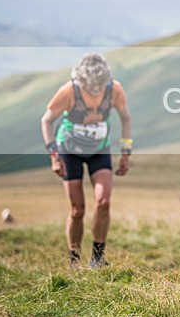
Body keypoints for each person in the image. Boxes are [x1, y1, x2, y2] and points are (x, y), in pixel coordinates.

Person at [40, 53, 133, 268]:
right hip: (69, 151)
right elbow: (46, 121)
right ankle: (74, 260)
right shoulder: (68, 91)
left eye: (100, 85)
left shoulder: (114, 89)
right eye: (91, 86)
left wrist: (126, 153)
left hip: (99, 149)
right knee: (77, 210)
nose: (95, 90)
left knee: (104, 202)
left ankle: (97, 259)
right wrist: (54, 156)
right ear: (81, 81)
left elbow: (126, 118)